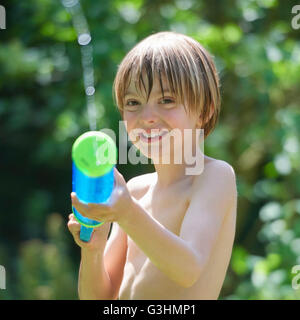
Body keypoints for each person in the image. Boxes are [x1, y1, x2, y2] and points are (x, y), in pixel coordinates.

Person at [67, 31, 237, 300]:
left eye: (166, 100)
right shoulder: (134, 191)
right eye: (133, 103)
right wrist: (93, 250)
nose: (147, 117)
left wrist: (127, 213)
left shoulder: (213, 177)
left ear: (205, 111)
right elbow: (99, 298)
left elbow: (188, 269)